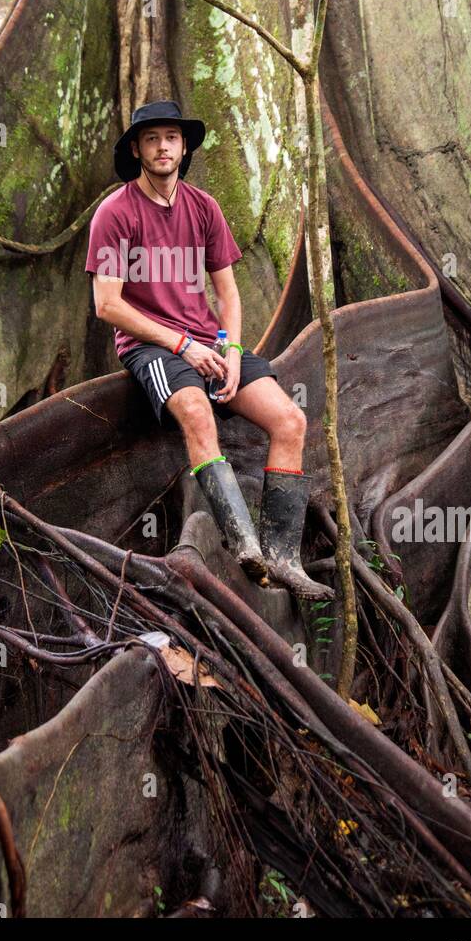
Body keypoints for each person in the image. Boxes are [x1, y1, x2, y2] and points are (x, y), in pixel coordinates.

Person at [84, 98, 333, 602]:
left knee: (290, 422)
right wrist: (180, 343)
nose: (162, 147)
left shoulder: (204, 208)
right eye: (151, 138)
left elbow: (229, 294)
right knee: (198, 413)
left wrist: (235, 352)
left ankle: (284, 559)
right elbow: (107, 305)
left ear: (184, 147)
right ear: (136, 149)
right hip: (151, 347)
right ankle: (244, 546)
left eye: (170, 138)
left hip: (210, 343)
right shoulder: (114, 213)